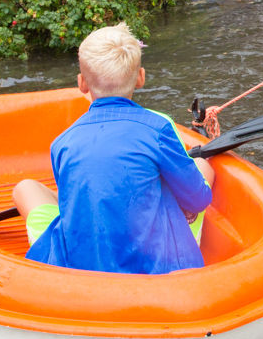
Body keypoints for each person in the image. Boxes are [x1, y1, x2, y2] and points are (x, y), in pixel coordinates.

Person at [12, 24, 215, 275]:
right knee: (203, 165)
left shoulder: (62, 142)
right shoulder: (158, 128)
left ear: (82, 83)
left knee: (27, 188)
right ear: (140, 77)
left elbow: (71, 209)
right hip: (156, 267)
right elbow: (198, 200)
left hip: (79, 268)